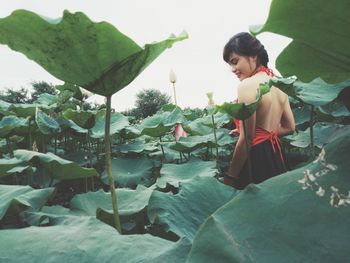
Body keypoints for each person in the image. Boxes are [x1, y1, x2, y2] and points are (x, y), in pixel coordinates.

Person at [223, 32, 295, 189]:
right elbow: (290, 127)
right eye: (230, 65)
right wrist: (262, 132)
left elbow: (248, 139)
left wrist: (230, 176)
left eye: (235, 62)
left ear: (253, 56)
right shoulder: (278, 83)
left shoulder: (247, 85)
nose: (233, 69)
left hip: (255, 159)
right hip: (275, 155)